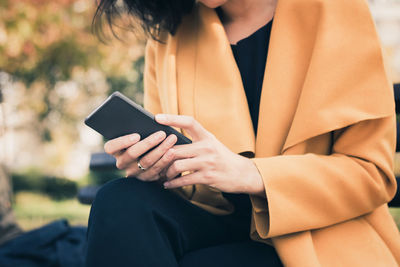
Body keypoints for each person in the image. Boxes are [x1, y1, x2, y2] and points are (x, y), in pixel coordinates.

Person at [85, 0, 400, 266]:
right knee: (119, 200)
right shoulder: (171, 34)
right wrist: (152, 165)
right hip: (212, 220)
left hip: (313, 238)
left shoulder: (336, 11)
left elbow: (370, 173)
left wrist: (253, 174)